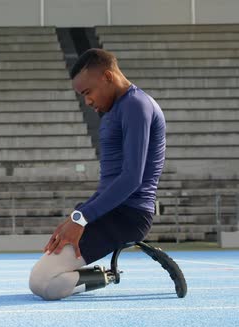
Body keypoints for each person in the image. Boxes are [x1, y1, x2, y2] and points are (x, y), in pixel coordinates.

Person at [29, 48, 167, 300]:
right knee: (42, 278)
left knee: (44, 283)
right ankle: (98, 274)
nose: (88, 101)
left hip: (129, 215)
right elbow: (109, 184)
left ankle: (106, 276)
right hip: (109, 211)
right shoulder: (118, 109)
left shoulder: (137, 105)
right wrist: (77, 215)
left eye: (87, 92)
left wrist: (81, 219)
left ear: (107, 77)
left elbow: (132, 178)